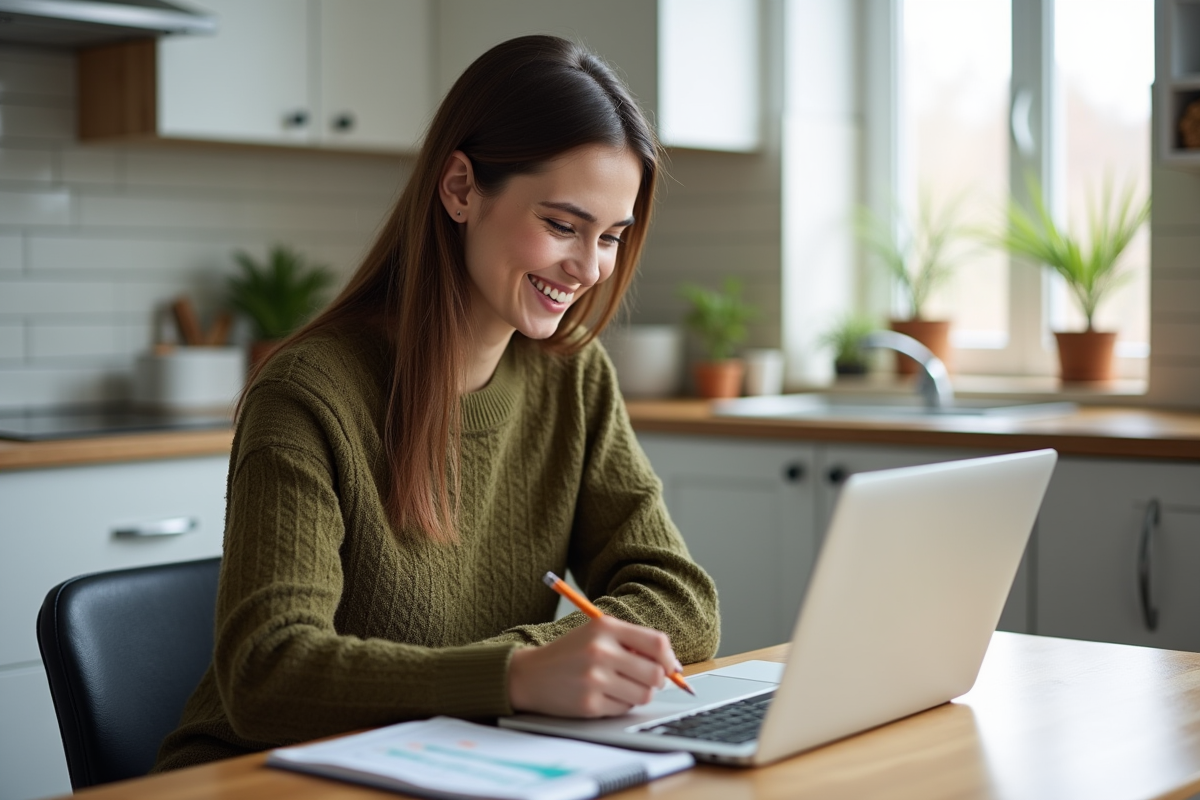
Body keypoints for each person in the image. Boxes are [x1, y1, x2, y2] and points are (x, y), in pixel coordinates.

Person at [154, 34, 720, 771]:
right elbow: (268, 673)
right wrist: (516, 676)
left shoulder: (572, 377)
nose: (588, 268)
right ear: (459, 189)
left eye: (611, 236)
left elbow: (682, 600)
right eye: (561, 225)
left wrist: (530, 665)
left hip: (451, 758)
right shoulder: (309, 394)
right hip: (259, 774)